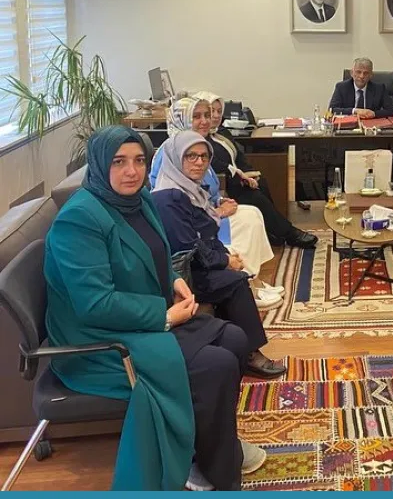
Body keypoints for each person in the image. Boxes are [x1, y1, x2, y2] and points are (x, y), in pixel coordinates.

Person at [43, 125, 265, 491]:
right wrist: (163, 316)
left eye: (139, 160)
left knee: (236, 340)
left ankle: (210, 440)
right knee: (217, 364)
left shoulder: (140, 200)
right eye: (118, 162)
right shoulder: (79, 220)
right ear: (99, 164)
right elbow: (95, 304)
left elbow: (153, 255)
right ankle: (202, 462)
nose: (131, 171)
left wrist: (173, 280)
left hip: (137, 317)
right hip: (98, 340)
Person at [151, 130, 287, 380]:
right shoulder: (168, 197)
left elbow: (205, 236)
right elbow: (187, 247)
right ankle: (250, 354)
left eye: (204, 156)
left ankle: (237, 347)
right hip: (183, 275)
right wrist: (224, 261)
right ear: (175, 158)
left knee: (234, 273)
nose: (199, 162)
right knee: (235, 282)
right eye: (191, 156)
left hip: (197, 263)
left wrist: (224, 255)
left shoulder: (190, 189)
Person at [167, 96, 317, 250]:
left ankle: (274, 231)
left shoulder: (210, 137)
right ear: (183, 120)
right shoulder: (176, 151)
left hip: (216, 197)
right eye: (196, 116)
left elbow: (235, 158)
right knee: (253, 197)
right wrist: (220, 205)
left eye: (208, 115)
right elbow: (188, 199)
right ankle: (287, 233)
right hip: (207, 211)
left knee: (260, 185)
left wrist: (226, 193)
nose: (206, 121)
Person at [328, 57, 393, 119]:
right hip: (349, 125)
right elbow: (332, 110)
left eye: (366, 73)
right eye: (358, 72)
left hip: (372, 125)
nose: (362, 76)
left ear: (371, 75)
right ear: (352, 73)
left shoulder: (379, 89)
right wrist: (355, 111)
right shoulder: (341, 87)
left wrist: (374, 114)